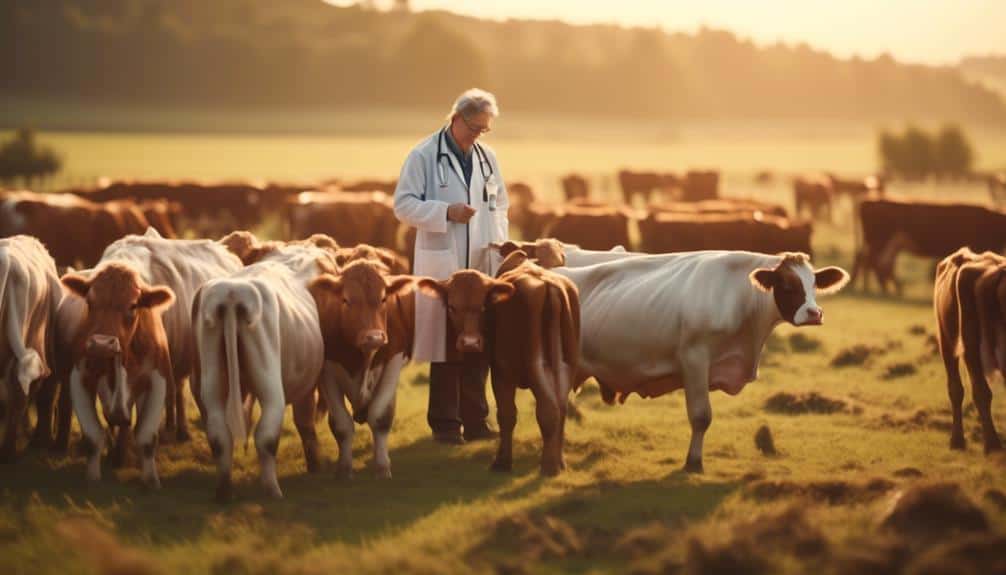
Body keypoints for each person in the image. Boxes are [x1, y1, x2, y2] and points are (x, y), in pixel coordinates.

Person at [393, 88, 510, 444]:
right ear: (456, 118)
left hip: (480, 269)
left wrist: (499, 247)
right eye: (474, 127)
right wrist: (446, 212)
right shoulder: (424, 155)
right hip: (442, 269)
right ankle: (445, 426)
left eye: (484, 130)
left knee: (479, 349)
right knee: (445, 349)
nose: (478, 135)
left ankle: (476, 423)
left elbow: (500, 204)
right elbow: (403, 205)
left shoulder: (487, 158)